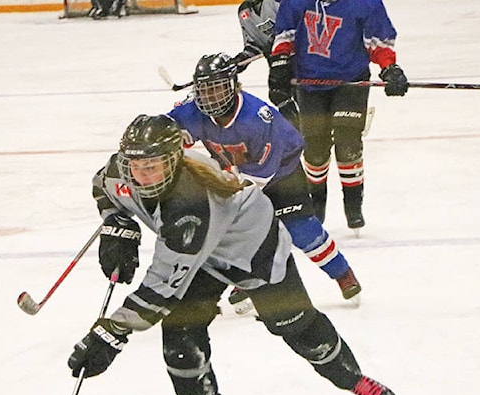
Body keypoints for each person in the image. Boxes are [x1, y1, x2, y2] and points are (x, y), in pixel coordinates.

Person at [67, 114, 397, 395]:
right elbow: (103, 185)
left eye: (153, 167)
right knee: (180, 335)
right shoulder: (122, 171)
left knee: (298, 327)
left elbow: (162, 285)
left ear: (175, 161)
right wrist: (118, 225)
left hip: (252, 253)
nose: (142, 176)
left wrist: (111, 331)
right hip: (201, 260)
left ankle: (352, 378)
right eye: (136, 166)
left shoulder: (191, 203)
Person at [167, 52, 362, 312]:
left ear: (235, 86)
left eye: (217, 90)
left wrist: (222, 189)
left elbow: (260, 175)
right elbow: (167, 129)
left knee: (301, 231)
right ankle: (247, 279)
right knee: (234, 236)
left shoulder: (256, 118)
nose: (210, 99)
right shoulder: (193, 112)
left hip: (282, 175)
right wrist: (161, 137)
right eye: (204, 91)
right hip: (236, 176)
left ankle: (343, 274)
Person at [268, 0, 408, 231]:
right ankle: (316, 202)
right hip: (309, 83)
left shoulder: (364, 2)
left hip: (351, 82)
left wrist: (389, 68)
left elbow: (379, 40)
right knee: (314, 149)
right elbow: (285, 35)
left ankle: (353, 205)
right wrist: (280, 63)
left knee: (348, 142)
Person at [232, 0, 299, 128]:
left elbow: (295, 27)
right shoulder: (243, 11)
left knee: (301, 95)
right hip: (275, 63)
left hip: (296, 58)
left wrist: (276, 42)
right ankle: (296, 127)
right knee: (277, 93)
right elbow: (253, 45)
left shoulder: (276, 2)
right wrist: (241, 59)